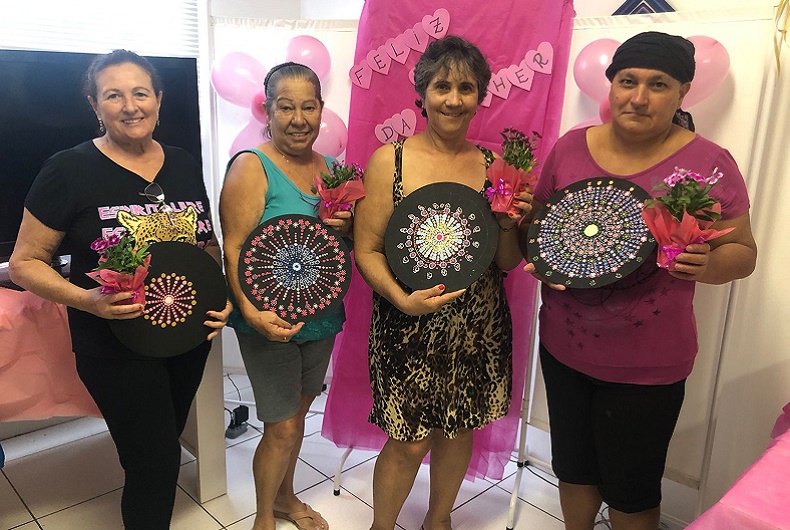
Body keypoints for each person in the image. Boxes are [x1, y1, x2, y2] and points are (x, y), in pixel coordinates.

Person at [521, 32, 758, 530]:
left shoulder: (708, 163)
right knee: (573, 470)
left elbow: (742, 253)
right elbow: (539, 224)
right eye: (628, 81)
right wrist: (540, 253)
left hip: (648, 367)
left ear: (683, 92)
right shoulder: (570, 148)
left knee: (632, 492)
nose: (639, 97)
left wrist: (706, 265)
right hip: (564, 349)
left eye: (659, 84)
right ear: (611, 85)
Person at [8, 50, 232, 529]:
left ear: (158, 99)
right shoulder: (68, 170)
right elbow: (25, 263)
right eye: (114, 95)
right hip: (113, 347)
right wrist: (88, 300)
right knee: (156, 461)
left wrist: (220, 298)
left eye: (140, 93)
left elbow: (205, 245)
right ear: (95, 105)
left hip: (185, 340)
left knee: (157, 449)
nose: (130, 106)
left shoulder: (182, 162)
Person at [353, 35, 532, 530]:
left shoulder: (495, 168)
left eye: (466, 88)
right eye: (442, 87)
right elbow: (366, 250)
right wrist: (401, 299)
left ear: (479, 96)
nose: (453, 99)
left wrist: (509, 223)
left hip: (477, 324)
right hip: (405, 320)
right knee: (409, 440)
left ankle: (439, 520)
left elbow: (506, 261)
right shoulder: (389, 161)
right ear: (423, 93)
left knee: (458, 429)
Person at [219, 62, 352, 530]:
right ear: (268, 111)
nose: (298, 119)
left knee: (297, 416)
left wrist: (347, 227)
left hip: (321, 315)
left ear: (321, 109)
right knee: (282, 426)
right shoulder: (251, 167)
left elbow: (340, 244)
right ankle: (263, 517)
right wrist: (251, 313)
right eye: (286, 107)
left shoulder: (332, 171)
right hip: (267, 320)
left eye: (308, 107)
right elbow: (233, 248)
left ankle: (285, 498)